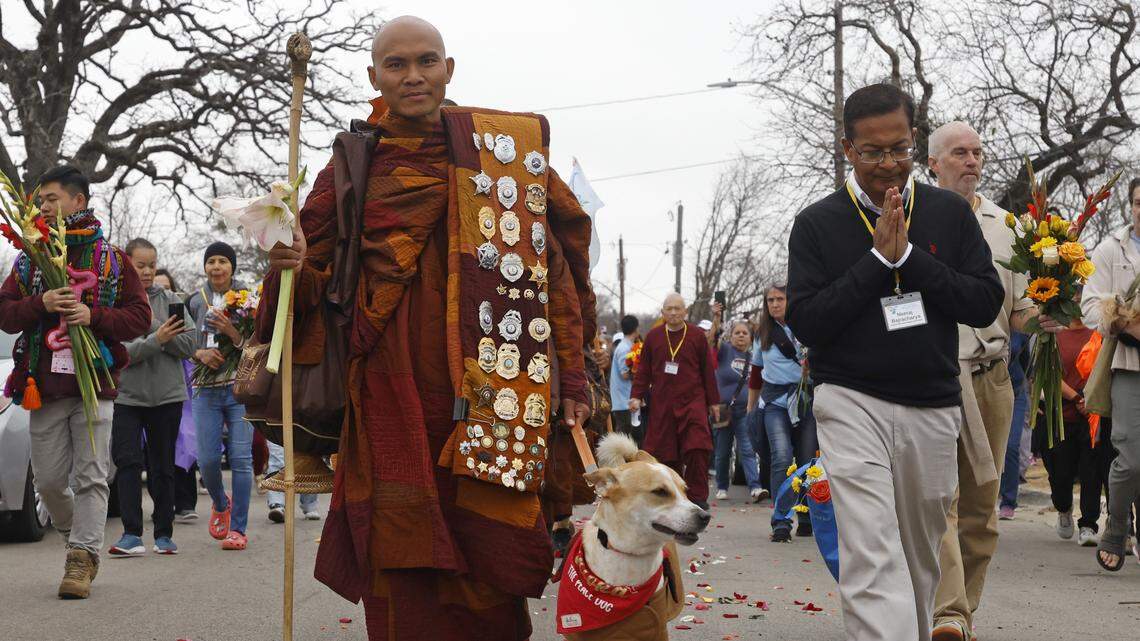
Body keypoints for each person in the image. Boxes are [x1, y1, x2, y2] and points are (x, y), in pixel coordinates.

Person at [262, 16, 595, 640]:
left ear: (449, 68)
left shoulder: (507, 155)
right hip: (390, 391)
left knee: (490, 559)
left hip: (497, 389)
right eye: (396, 65)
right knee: (400, 557)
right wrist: (288, 265)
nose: (413, 76)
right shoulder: (354, 166)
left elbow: (556, 280)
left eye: (426, 61)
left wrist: (572, 376)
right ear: (374, 78)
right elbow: (311, 288)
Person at [786, 84, 1004, 641]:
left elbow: (983, 301)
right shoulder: (818, 223)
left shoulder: (949, 214)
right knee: (871, 549)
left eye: (901, 150)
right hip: (850, 399)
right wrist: (877, 262)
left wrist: (911, 259)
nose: (889, 165)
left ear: (915, 142)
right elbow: (807, 321)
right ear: (846, 149)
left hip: (931, 401)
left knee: (920, 553)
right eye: (873, 152)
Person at [926, 121, 1060, 640]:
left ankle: (963, 614)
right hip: (934, 377)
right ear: (934, 161)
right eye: (960, 153)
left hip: (993, 378)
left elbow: (1020, 310)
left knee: (982, 510)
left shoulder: (1007, 225)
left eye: (978, 153)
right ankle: (948, 613)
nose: (972, 161)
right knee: (940, 500)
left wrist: (1047, 312)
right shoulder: (912, 216)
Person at [0, 165, 151, 598]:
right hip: (42, 387)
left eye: (51, 198)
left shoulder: (112, 259)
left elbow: (140, 318)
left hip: (96, 384)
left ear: (78, 201)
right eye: (40, 200)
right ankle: (75, 536)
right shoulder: (30, 258)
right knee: (48, 482)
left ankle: (82, 557)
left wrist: (93, 316)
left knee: (91, 476)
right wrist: (40, 301)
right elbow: (4, 312)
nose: (43, 205)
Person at [107, 238, 198, 557]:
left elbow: (189, 348)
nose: (146, 272)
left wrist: (155, 327)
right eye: (139, 265)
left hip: (167, 397)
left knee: (162, 467)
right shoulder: (114, 302)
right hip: (127, 398)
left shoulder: (172, 299)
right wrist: (156, 339)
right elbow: (118, 354)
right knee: (128, 463)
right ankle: (131, 534)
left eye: (151, 265)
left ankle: (163, 534)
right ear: (126, 265)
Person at [1081, 176, 1140, 571]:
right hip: (1129, 365)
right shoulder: (1109, 250)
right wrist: (1123, 322)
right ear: (1131, 205)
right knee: (1131, 456)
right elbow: (1089, 307)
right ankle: (1118, 525)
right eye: (1139, 202)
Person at [187, 241, 256, 551]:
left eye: (223, 261)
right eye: (211, 261)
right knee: (209, 460)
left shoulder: (249, 300)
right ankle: (219, 501)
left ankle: (238, 529)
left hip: (239, 388)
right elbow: (183, 343)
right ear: (205, 267)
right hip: (205, 391)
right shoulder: (193, 301)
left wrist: (232, 332)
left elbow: (257, 342)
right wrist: (199, 353)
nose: (216, 267)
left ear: (232, 267)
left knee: (241, 459)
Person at [629, 293, 720, 509]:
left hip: (693, 401)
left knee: (698, 446)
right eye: (669, 308)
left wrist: (713, 402)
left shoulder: (697, 336)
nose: (673, 313)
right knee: (665, 452)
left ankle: (698, 496)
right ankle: (675, 494)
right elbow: (644, 370)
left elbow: (707, 370)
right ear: (662, 312)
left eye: (677, 308)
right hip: (663, 404)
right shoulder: (653, 337)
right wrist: (636, 395)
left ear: (685, 311)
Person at [751, 284, 817, 540]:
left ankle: (807, 516)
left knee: (808, 461)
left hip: (805, 402)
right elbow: (756, 374)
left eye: (780, 299)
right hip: (775, 403)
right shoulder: (762, 333)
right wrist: (750, 409)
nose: (775, 304)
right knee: (781, 457)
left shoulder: (807, 327)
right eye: (770, 300)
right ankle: (780, 520)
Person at [1043, 303, 1111, 547]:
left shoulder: (1099, 334)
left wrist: (1091, 401)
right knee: (1060, 474)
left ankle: (1088, 524)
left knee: (1091, 472)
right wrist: (1076, 398)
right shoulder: (1054, 335)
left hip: (1091, 417)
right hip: (1063, 414)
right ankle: (1063, 508)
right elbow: (1049, 374)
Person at [711, 318, 763, 502]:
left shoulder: (754, 355)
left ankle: (755, 487)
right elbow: (713, 340)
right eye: (737, 333)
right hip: (723, 410)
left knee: (747, 449)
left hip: (746, 410)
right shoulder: (724, 350)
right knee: (723, 451)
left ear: (750, 338)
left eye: (745, 333)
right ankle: (722, 486)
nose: (741, 336)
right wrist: (717, 319)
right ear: (730, 336)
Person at [997, 331, 1031, 520]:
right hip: (990, 390)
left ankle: (1009, 501)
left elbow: (1027, 363)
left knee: (1011, 446)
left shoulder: (1018, 329)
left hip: (1016, 392)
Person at [265, 440, 321, 523]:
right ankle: (276, 504)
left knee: (307, 459)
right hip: (277, 428)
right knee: (277, 459)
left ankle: (310, 504)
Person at [610, 315, 641, 444]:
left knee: (628, 435)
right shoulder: (624, 348)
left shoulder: (629, 346)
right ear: (636, 329)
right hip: (623, 400)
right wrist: (639, 372)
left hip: (625, 399)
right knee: (625, 437)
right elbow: (625, 374)